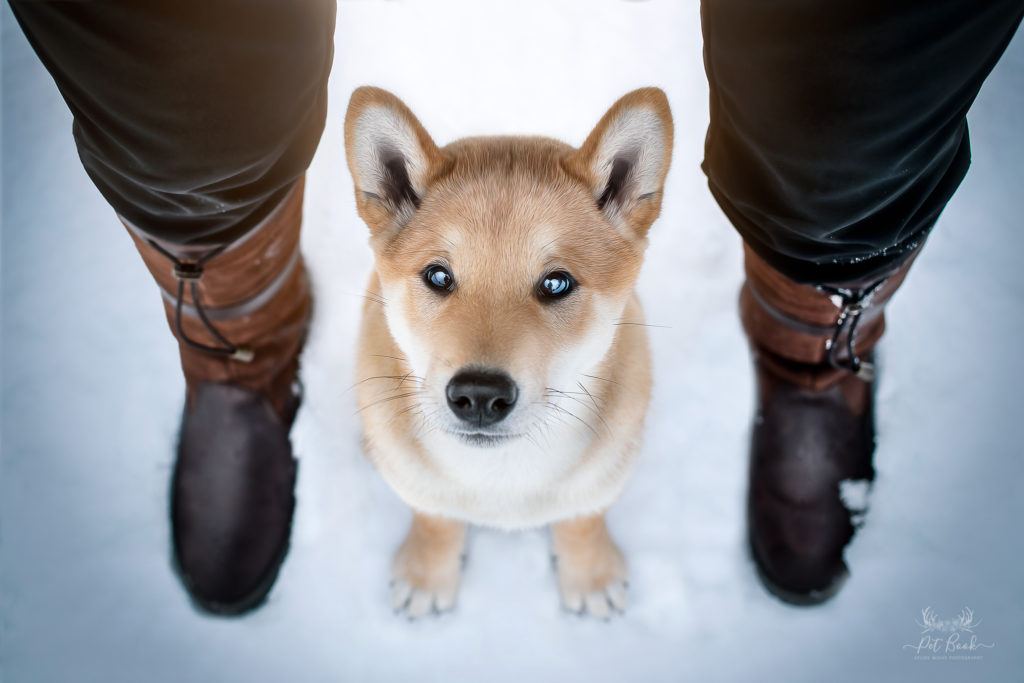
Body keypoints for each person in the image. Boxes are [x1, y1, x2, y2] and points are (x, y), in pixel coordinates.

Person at [9, 0, 1023, 614]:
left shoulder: (611, 244)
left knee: (856, 115)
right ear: (388, 210)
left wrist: (583, 528)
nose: (482, 356)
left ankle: (818, 337)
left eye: (552, 284)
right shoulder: (402, 297)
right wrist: (433, 527)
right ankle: (235, 341)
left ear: (628, 210)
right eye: (439, 278)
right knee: (178, 106)